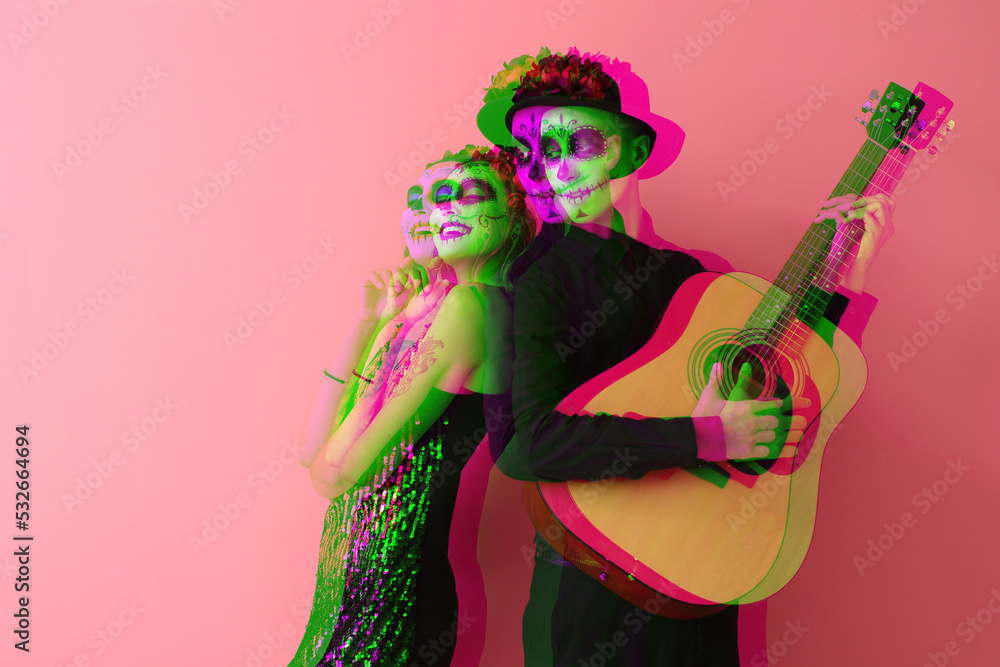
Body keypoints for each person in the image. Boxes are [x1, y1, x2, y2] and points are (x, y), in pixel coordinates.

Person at [476, 50, 892, 665]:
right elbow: (522, 444)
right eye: (526, 153)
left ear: (624, 150)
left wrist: (843, 275)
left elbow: (781, 375)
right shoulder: (531, 280)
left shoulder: (689, 276)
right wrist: (700, 439)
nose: (543, 169)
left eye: (569, 144)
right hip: (594, 586)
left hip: (707, 570)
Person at [286, 145, 536, 667]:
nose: (428, 210)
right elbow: (310, 451)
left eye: (454, 195)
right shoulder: (421, 308)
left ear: (509, 220)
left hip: (391, 601)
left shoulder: (468, 307)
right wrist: (366, 324)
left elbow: (333, 474)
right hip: (349, 583)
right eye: (417, 198)